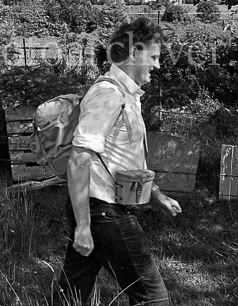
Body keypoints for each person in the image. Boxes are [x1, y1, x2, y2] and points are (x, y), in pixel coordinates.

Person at [58, 18, 182, 305]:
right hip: (102, 212)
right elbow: (78, 160)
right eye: (154, 57)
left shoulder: (128, 95)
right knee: (153, 299)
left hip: (99, 210)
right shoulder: (108, 94)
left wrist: (157, 194)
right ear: (135, 53)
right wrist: (83, 226)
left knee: (72, 294)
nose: (158, 65)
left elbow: (125, 158)